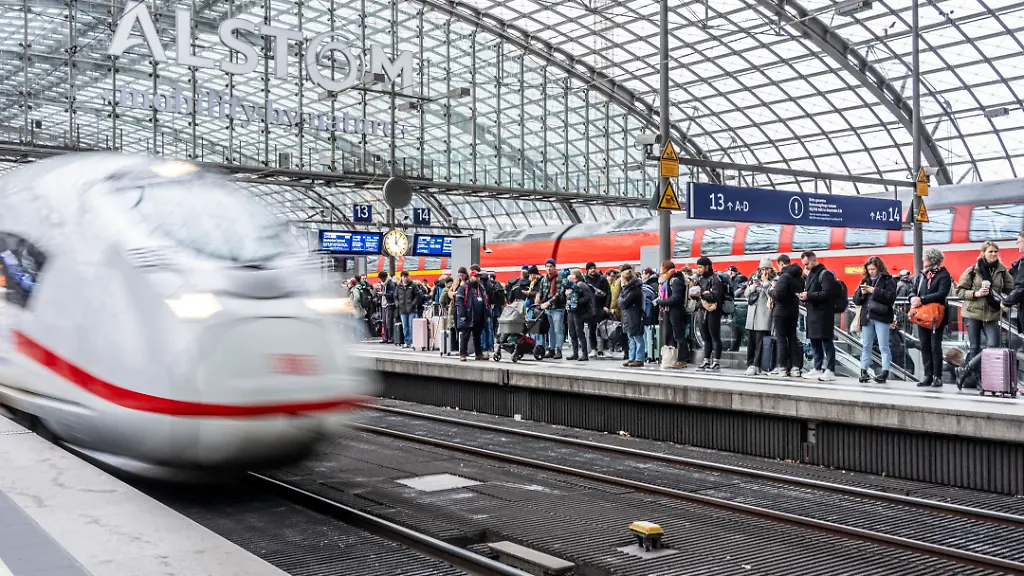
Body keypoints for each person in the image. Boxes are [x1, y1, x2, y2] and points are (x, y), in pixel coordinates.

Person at [955, 241, 1012, 366]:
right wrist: (976, 293)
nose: (993, 254)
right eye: (990, 251)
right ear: (983, 253)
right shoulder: (973, 270)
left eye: (995, 251)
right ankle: (976, 379)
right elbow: (959, 291)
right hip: (972, 314)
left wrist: (1005, 298)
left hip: (992, 314)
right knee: (974, 347)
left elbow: (1011, 289)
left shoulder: (1003, 271)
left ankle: (966, 371)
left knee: (993, 345)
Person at [852, 256, 898, 383]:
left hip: (881, 316)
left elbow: (891, 297)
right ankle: (863, 371)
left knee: (884, 345)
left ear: (879, 268)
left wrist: (874, 291)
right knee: (866, 345)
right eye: (869, 269)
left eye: (873, 269)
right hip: (867, 317)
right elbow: (856, 300)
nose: (871, 271)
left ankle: (884, 371)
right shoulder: (865, 280)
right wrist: (862, 293)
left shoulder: (888, 280)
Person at [911, 248, 952, 387]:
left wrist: (922, 299)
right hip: (922, 315)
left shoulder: (943, 275)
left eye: (925, 258)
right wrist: (913, 298)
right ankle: (928, 375)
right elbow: (913, 289)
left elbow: (942, 293)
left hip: (936, 316)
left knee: (935, 346)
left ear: (932, 259)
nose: (923, 260)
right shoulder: (922, 275)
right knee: (924, 345)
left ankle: (937, 376)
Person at [799, 251, 839, 382]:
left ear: (813, 260)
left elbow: (828, 293)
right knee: (815, 341)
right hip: (813, 312)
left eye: (806, 264)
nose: (805, 267)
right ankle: (817, 368)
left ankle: (830, 369)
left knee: (827, 341)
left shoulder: (825, 274)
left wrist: (809, 296)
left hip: (823, 313)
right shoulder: (811, 274)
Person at [770, 260, 804, 377]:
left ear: (782, 265)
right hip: (793, 312)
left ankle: (782, 367)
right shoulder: (799, 278)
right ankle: (795, 367)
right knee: (792, 338)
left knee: (781, 340)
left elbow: (778, 295)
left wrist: (770, 291)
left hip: (781, 312)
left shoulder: (784, 277)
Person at [692, 256, 726, 372]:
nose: (699, 269)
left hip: (713, 312)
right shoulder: (700, 280)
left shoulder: (716, 279)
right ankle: (706, 360)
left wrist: (701, 294)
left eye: (701, 267)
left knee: (715, 336)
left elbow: (715, 296)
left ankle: (716, 361)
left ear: (707, 267)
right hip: (702, 311)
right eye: (698, 267)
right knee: (705, 337)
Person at [743, 258, 775, 376]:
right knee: (750, 343)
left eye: (766, 269)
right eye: (762, 269)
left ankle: (757, 365)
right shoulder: (754, 278)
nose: (764, 271)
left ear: (771, 269)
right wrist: (753, 287)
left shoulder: (774, 281)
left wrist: (766, 283)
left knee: (760, 342)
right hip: (751, 317)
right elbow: (746, 294)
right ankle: (750, 364)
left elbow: (772, 296)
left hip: (763, 316)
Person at [655, 261, 689, 369]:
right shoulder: (667, 279)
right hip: (668, 310)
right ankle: (672, 358)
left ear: (666, 268)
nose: (660, 269)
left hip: (676, 311)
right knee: (670, 335)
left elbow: (676, 298)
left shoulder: (675, 280)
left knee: (679, 335)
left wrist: (660, 302)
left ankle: (682, 359)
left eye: (661, 267)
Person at [456, 270, 490, 361]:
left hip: (478, 316)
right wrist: (462, 314)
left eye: (478, 276)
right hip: (468, 315)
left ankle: (478, 354)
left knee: (477, 336)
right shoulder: (464, 287)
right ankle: (463, 354)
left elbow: (486, 300)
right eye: (476, 276)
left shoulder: (481, 287)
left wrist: (487, 313)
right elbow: (459, 302)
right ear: (471, 277)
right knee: (465, 335)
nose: (478, 278)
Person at [536, 258, 566, 358]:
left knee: (558, 329)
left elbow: (559, 294)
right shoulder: (544, 279)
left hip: (557, 308)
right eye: (547, 266)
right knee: (551, 330)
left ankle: (558, 349)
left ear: (554, 267)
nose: (549, 268)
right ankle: (551, 349)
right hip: (548, 309)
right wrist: (538, 300)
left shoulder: (559, 278)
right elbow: (541, 291)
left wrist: (548, 303)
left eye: (551, 266)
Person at [565, 269, 595, 361]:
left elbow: (587, 297)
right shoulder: (571, 285)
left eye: (572, 274)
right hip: (571, 311)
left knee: (579, 332)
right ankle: (575, 353)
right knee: (572, 332)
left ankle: (584, 353)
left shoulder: (581, 285)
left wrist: (576, 302)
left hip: (579, 311)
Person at [618, 268, 646, 367]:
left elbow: (623, 302)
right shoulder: (628, 289)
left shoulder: (634, 290)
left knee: (637, 337)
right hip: (629, 316)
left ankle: (639, 358)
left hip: (634, 316)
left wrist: (620, 300)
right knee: (631, 338)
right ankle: (632, 357)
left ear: (625, 279)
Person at [584, 262, 612, 356]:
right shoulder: (585, 280)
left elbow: (608, 293)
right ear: (587, 269)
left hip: (601, 307)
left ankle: (606, 348)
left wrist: (606, 306)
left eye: (594, 268)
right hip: (590, 308)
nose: (593, 270)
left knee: (604, 328)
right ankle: (593, 349)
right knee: (591, 329)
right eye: (591, 268)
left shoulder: (602, 279)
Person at [395, 271, 421, 348]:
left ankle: (412, 341)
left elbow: (417, 295)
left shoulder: (413, 285)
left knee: (411, 325)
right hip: (402, 309)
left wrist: (413, 304)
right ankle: (407, 341)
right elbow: (395, 296)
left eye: (406, 276)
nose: (405, 278)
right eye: (404, 277)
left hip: (411, 309)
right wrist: (397, 304)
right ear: (401, 277)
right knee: (405, 326)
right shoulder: (398, 286)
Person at [377, 271, 397, 344]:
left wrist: (384, 294)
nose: (380, 280)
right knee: (384, 322)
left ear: (384, 277)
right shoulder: (383, 284)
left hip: (389, 304)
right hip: (384, 304)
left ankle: (390, 337)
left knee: (389, 322)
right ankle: (386, 337)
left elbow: (392, 294)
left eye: (381, 278)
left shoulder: (390, 284)